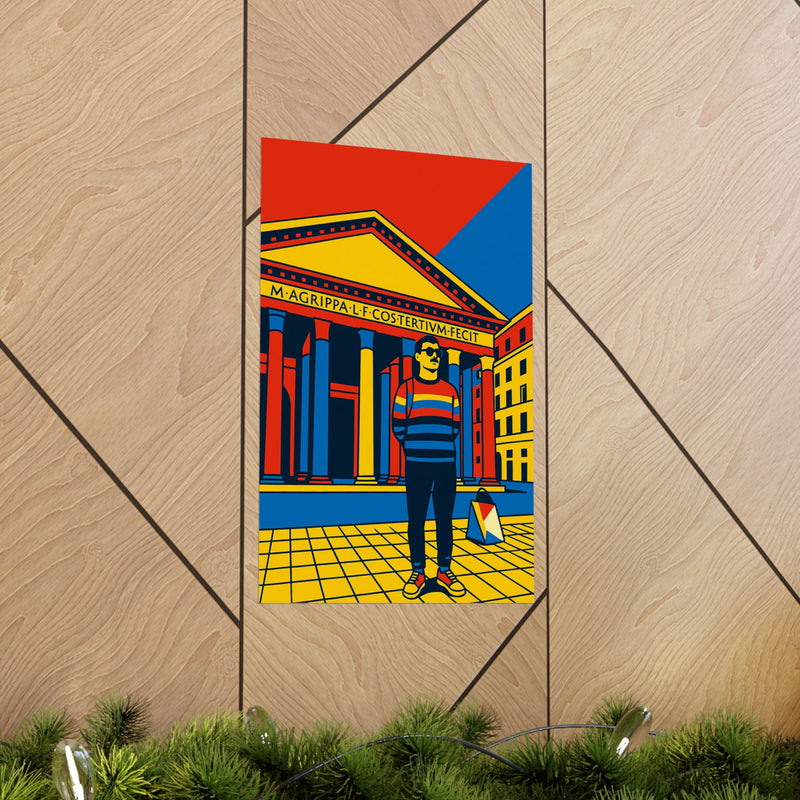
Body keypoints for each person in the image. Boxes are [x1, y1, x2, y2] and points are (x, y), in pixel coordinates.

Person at [392, 335, 466, 599]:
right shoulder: (406, 388)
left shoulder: (451, 391)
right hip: (417, 465)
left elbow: (455, 426)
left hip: (446, 465)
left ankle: (444, 570)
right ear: (418, 357)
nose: (436, 355)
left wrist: (438, 445)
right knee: (417, 520)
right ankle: (418, 571)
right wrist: (414, 448)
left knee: (445, 519)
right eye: (429, 351)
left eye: (438, 352)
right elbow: (397, 425)